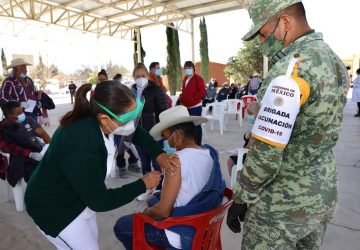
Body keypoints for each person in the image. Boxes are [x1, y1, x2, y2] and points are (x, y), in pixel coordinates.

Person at [227, 1, 348, 249]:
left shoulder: (290, 70)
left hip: (281, 207)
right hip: (322, 192)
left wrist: (242, 195)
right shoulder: (333, 60)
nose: (262, 43)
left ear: (284, 23)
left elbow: (266, 152)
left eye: (262, 34)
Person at [24, 81, 179, 250]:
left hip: (80, 198)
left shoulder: (97, 117)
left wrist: (159, 154)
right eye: (127, 118)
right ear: (104, 118)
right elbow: (100, 201)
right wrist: (142, 184)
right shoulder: (82, 145)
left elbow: (135, 132)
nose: (131, 123)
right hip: (53, 208)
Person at [114, 105, 225, 250]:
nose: (166, 141)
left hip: (178, 232)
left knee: (122, 226)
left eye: (166, 136)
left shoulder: (175, 161)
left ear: (177, 135)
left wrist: (146, 213)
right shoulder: (209, 154)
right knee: (153, 200)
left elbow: (163, 211)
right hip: (204, 228)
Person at [132, 63, 167, 189]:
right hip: (138, 133)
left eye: (143, 75)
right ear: (133, 77)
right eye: (137, 76)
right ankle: (147, 188)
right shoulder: (132, 91)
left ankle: (160, 189)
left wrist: (164, 130)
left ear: (147, 75)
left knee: (157, 162)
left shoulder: (156, 89)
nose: (140, 78)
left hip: (154, 133)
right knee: (144, 162)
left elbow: (163, 111)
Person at [178, 61, 206, 146]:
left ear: (193, 69)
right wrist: (181, 100)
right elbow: (184, 92)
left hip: (195, 107)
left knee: (196, 126)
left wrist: (193, 98)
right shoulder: (185, 80)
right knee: (188, 127)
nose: (188, 70)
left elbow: (202, 92)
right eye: (186, 68)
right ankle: (191, 144)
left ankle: (198, 144)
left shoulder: (198, 79)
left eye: (189, 68)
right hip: (186, 108)